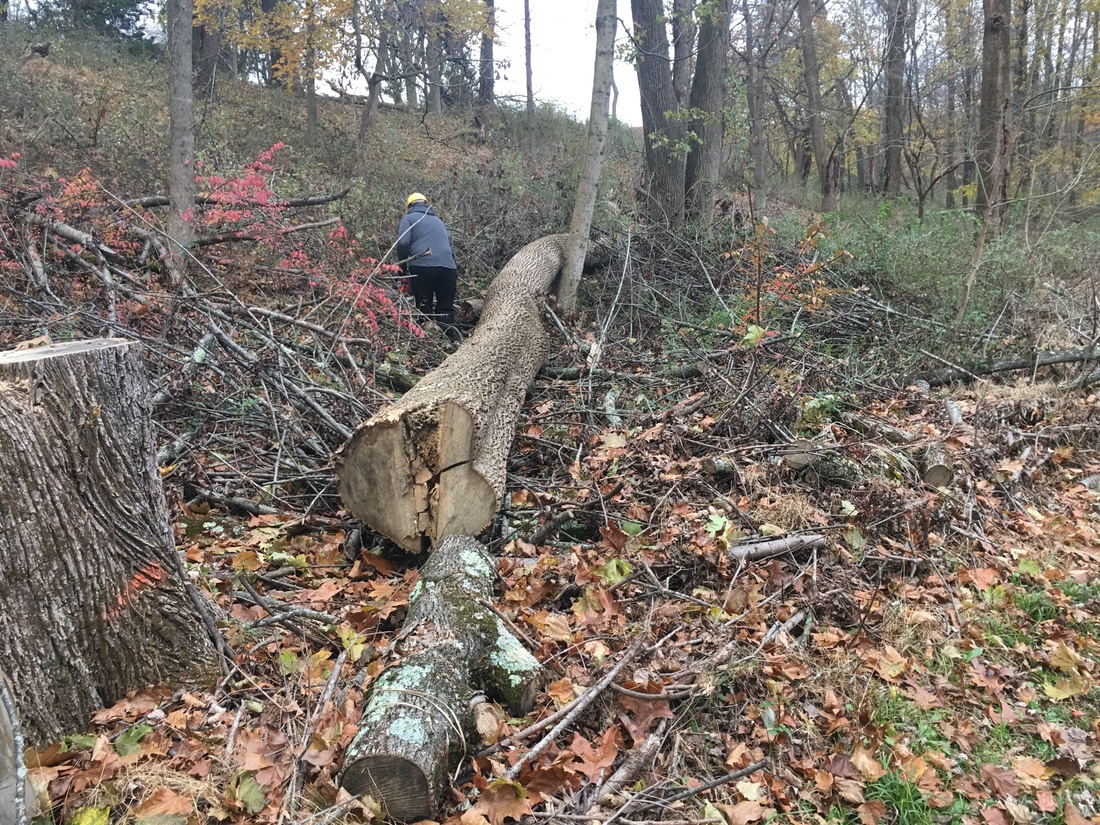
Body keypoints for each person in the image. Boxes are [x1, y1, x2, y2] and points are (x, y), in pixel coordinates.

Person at [396, 192, 458, 335]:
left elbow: (403, 243)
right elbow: (449, 247)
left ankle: (427, 345)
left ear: (409, 207)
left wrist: (402, 268)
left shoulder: (409, 219)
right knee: (445, 308)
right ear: (427, 203)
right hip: (448, 267)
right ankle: (450, 342)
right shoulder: (439, 221)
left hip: (422, 266)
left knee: (424, 308)